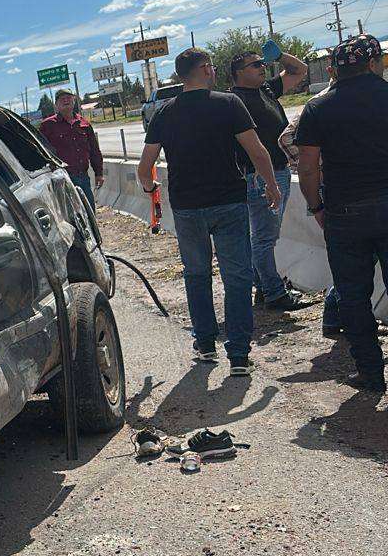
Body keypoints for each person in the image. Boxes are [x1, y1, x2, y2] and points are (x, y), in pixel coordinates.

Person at [137, 47, 283, 377]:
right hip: (229, 202)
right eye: (212, 67)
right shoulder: (228, 103)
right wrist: (271, 186)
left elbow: (145, 168)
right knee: (237, 277)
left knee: (197, 275)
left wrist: (151, 192)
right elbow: (257, 151)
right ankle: (239, 356)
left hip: (187, 208)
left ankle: (205, 345)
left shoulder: (164, 113)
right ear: (205, 69)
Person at [294, 33, 388, 393]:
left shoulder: (318, 108)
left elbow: (308, 167)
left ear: (335, 69)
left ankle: (370, 372)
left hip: (344, 213)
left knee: (353, 296)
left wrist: (316, 205)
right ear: (373, 62)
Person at [228, 41, 309, 311]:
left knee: (263, 237)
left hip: (278, 171)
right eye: (256, 65)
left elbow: (300, 70)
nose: (262, 67)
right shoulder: (234, 101)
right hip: (261, 176)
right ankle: (274, 293)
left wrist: (280, 56)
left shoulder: (265, 90)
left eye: (263, 63)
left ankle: (264, 287)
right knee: (264, 238)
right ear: (239, 72)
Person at [39, 88, 105, 203]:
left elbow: (94, 151)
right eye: (62, 99)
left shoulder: (84, 124)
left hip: (83, 178)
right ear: (56, 105)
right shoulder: (47, 125)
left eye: (68, 98)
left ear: (74, 101)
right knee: (70, 217)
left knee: (89, 214)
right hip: (61, 181)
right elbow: (40, 152)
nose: (66, 101)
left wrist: (99, 173)